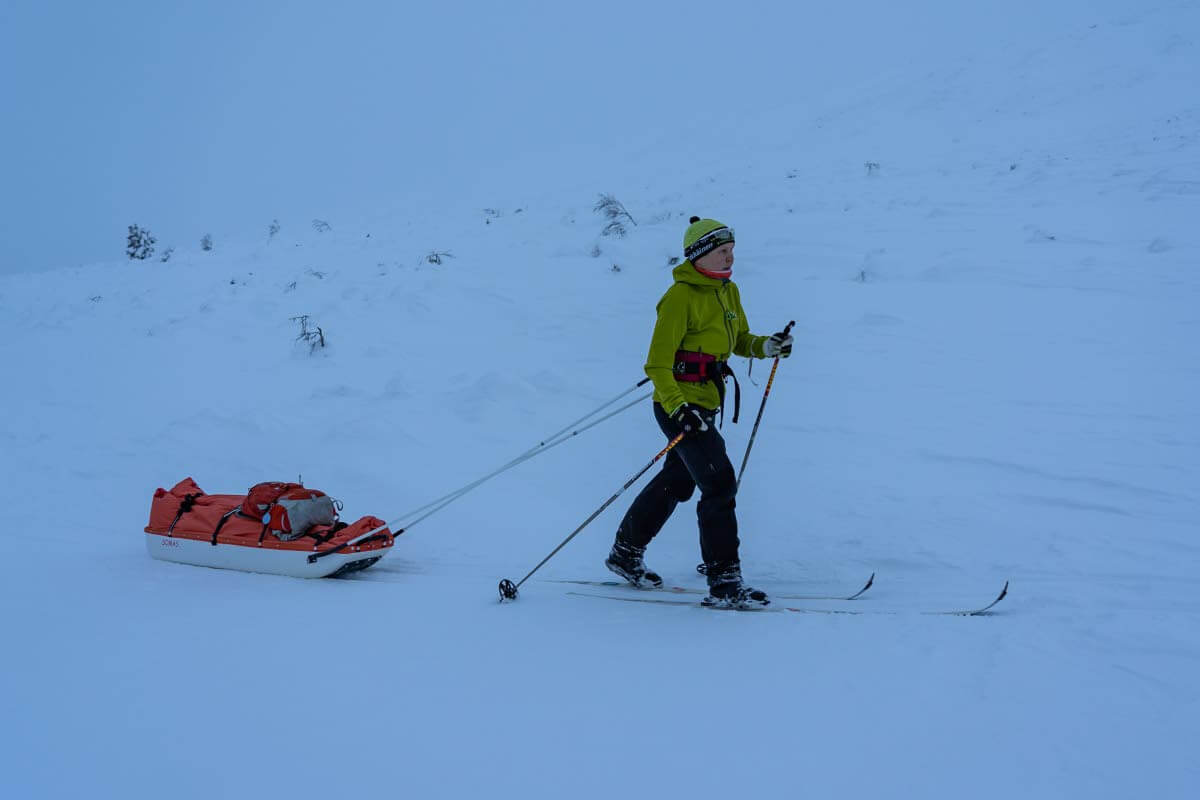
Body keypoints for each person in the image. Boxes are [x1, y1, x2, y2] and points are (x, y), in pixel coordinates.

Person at [605, 216, 793, 608]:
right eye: (723, 252)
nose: (731, 258)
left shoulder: (728, 291)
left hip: (706, 402)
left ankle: (625, 554)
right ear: (700, 256)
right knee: (719, 483)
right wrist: (680, 408)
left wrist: (768, 346)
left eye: (732, 251)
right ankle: (724, 581)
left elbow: (738, 339)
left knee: (679, 481)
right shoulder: (679, 297)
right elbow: (657, 365)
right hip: (678, 404)